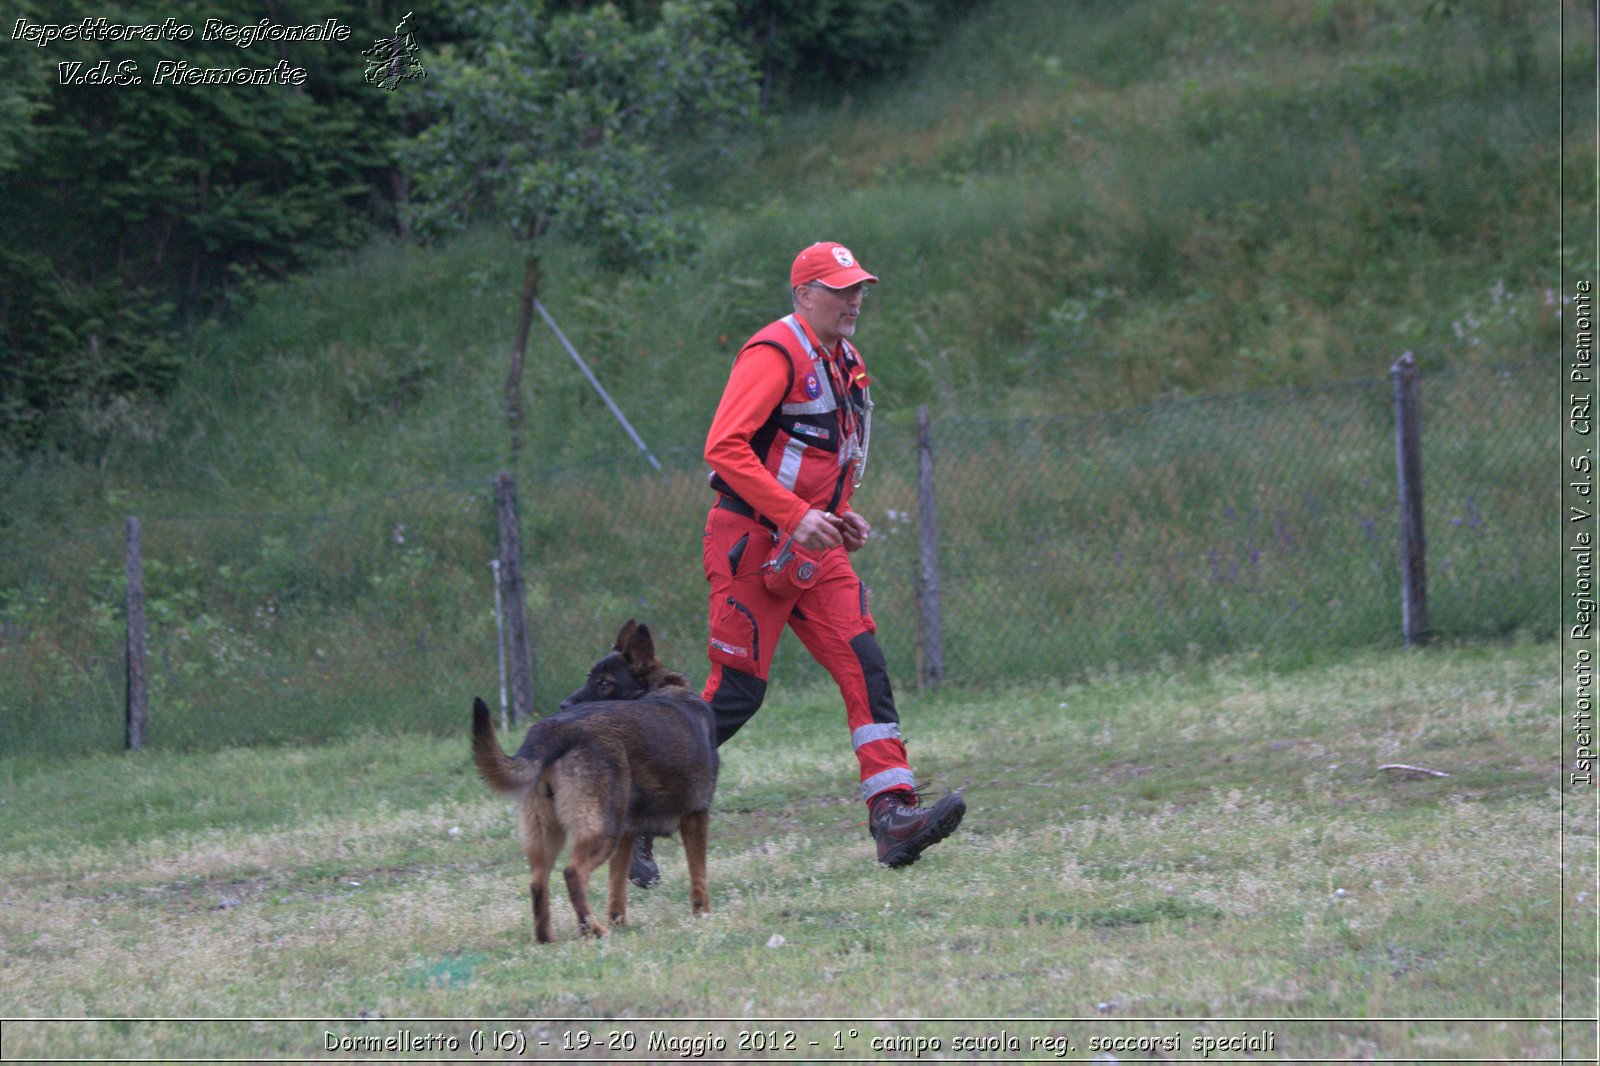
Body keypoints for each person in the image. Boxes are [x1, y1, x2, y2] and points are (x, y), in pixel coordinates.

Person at [632, 241, 966, 888]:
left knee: (864, 665)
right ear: (803, 295)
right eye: (841, 289)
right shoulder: (773, 352)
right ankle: (637, 817)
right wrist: (794, 515)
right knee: (735, 696)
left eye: (859, 288)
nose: (855, 300)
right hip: (752, 545)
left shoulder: (846, 361)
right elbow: (725, 448)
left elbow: (822, 457)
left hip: (815, 548)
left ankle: (894, 816)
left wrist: (840, 514)